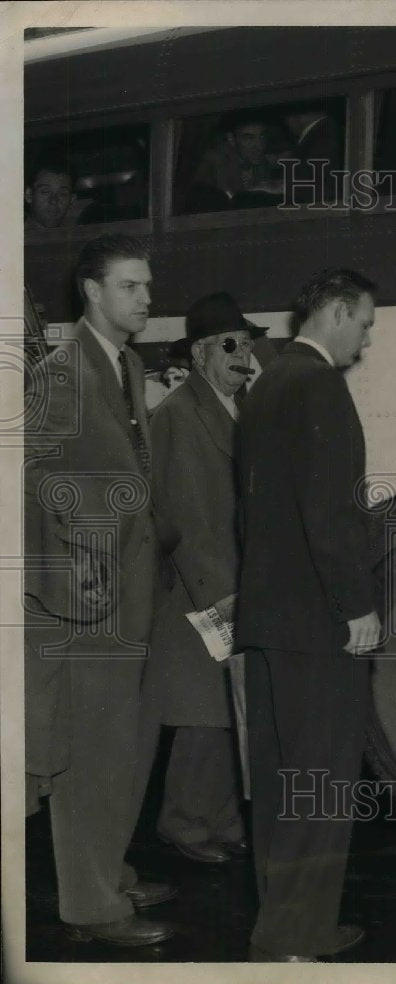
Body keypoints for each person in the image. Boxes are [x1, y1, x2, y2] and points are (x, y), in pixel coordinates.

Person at [24, 234, 177, 947]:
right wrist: (80, 562)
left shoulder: (127, 363)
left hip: (131, 589)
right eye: (130, 287)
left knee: (117, 744)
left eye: (147, 286)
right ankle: (89, 903)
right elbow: (33, 473)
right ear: (92, 291)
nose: (146, 299)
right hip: (88, 596)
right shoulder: (62, 373)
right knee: (89, 749)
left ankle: (110, 871)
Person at [237, 268, 381, 962]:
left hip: (268, 619)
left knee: (278, 781)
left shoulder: (265, 381)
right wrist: (354, 605)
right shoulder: (319, 384)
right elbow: (330, 512)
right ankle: (296, 939)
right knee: (321, 782)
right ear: (335, 310)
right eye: (364, 321)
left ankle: (285, 926)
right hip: (316, 622)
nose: (367, 335)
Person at [136, 292, 255, 864]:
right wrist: (220, 600)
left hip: (234, 580)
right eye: (232, 344)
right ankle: (183, 822)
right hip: (200, 589)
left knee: (230, 709)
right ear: (203, 352)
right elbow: (181, 516)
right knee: (202, 713)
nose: (245, 354)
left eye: (249, 343)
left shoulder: (237, 408)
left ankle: (223, 820)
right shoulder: (181, 413)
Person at [192, 109, 286, 204]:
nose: (259, 145)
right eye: (249, 138)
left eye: (262, 136)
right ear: (231, 139)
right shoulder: (214, 162)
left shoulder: (265, 161)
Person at [24, 154, 76, 230]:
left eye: (62, 194)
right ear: (29, 195)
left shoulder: (77, 238)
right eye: (45, 192)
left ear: (72, 200)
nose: (54, 201)